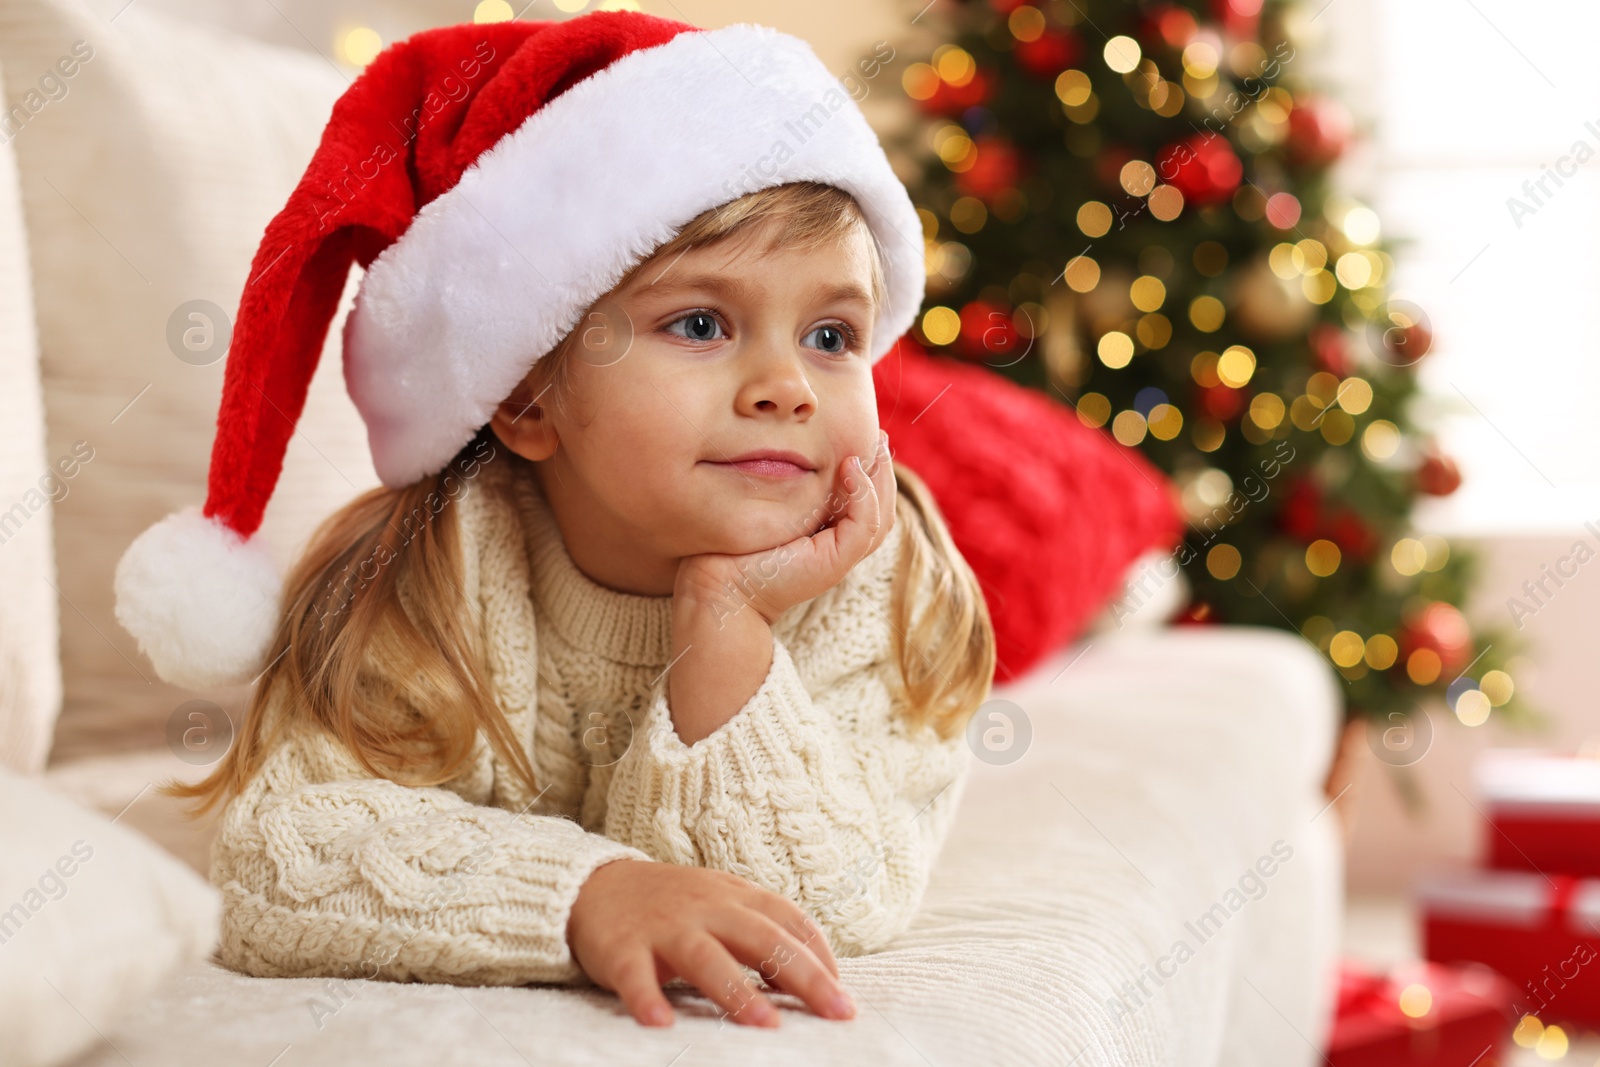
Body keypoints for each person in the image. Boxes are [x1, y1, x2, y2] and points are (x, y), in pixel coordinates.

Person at [113, 11, 995, 1030]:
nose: (787, 385)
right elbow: (280, 854)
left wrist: (726, 626)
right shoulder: (442, 569)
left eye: (831, 334)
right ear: (527, 399)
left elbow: (818, 908)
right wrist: (586, 893)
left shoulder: (882, 583)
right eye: (701, 323)